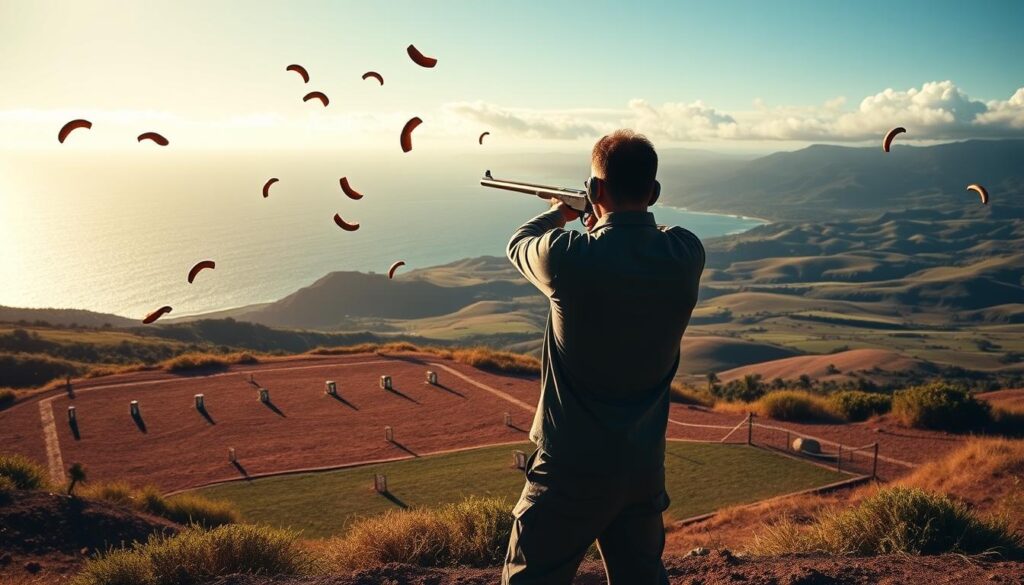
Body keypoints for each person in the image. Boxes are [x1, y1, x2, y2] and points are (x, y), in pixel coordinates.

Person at [502, 130, 705, 584]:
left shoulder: (566, 254)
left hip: (569, 466)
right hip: (643, 465)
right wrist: (604, 219)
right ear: (653, 193)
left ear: (594, 191)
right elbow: (644, 240)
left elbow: (519, 242)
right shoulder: (687, 252)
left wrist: (562, 211)